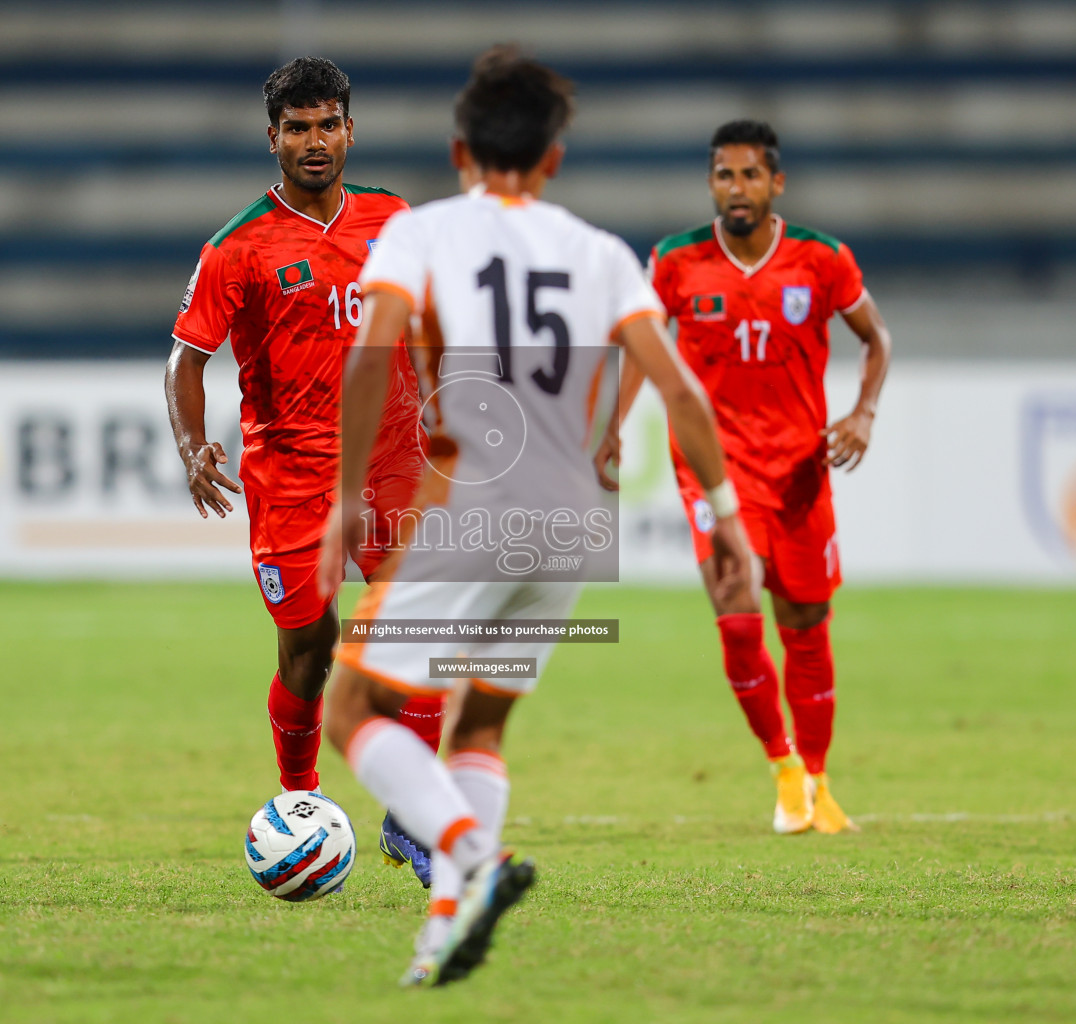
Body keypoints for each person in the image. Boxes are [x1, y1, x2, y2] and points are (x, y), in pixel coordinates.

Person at [316, 46, 756, 987]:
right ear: (554, 159)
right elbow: (679, 391)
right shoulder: (599, 253)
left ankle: (471, 855)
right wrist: (727, 521)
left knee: (348, 708)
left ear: (458, 149)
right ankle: (444, 926)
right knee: (479, 728)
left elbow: (368, 360)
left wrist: (348, 497)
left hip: (475, 500)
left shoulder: (421, 234)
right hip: (571, 521)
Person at [163, 56, 442, 884]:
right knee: (308, 649)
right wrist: (193, 444)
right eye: (297, 128)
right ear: (273, 138)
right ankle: (301, 801)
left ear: (350, 130)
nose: (315, 141)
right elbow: (185, 362)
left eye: (328, 124)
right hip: (291, 472)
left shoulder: (395, 219)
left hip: (393, 460)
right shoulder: (236, 247)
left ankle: (413, 819)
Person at [607, 119, 892, 835]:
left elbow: (876, 339)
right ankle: (783, 769)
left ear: (776, 183)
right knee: (737, 620)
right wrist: (611, 422)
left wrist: (863, 413)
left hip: (800, 469)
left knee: (804, 624)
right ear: (712, 182)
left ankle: (819, 783)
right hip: (714, 469)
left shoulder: (822, 260)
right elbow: (641, 343)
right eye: (724, 176)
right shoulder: (675, 260)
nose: (737, 189)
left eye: (750, 175)